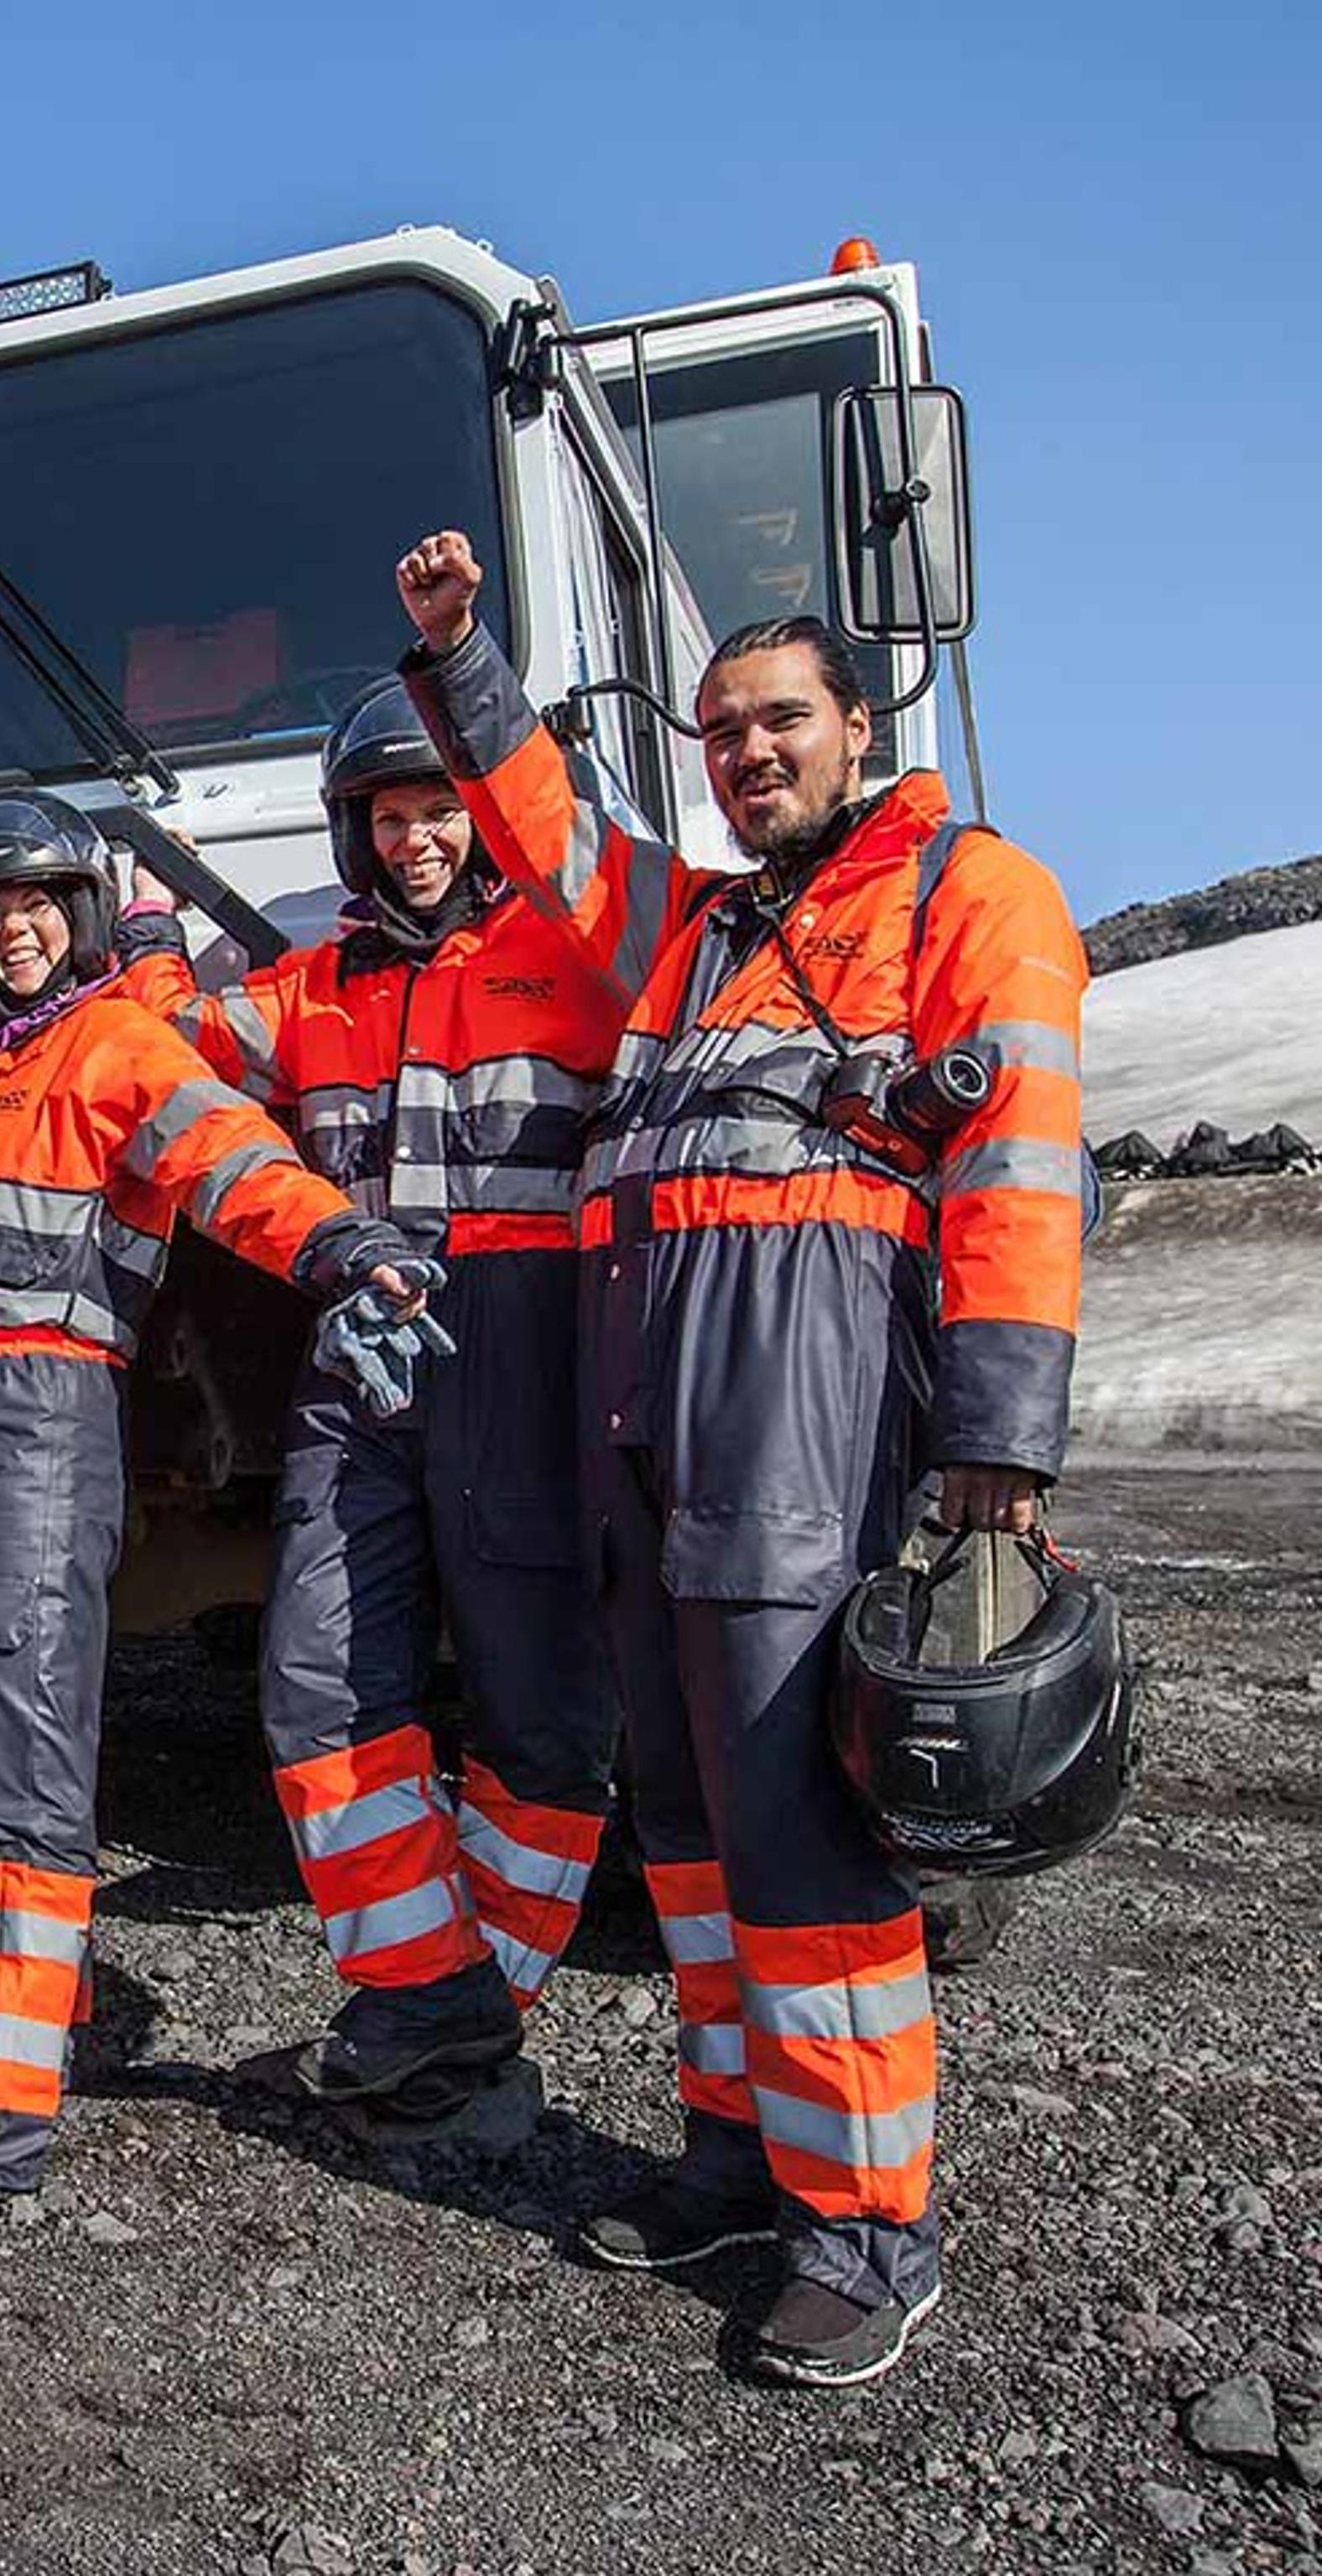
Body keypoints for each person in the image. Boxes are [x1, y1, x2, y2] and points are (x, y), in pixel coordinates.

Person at [396, 528, 1087, 2386]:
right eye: (717, 731)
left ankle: (866, 2233)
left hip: (809, 1419)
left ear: (859, 726)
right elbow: (546, 836)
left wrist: (1001, 1449)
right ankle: (736, 2155)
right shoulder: (693, 925)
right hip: (648, 1422)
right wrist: (463, 671)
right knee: (691, 1834)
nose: (745, 753)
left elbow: (1020, 1172)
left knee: (801, 1836)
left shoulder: (967, 890)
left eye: (778, 719)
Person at [0, 792, 443, 2220]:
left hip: (29, 1445)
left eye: (34, 904)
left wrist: (342, 1246)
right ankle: (50, 2019)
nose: (12, 930)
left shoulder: (108, 1047)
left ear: (83, 919)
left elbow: (234, 1163)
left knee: (5, 1777)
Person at [118, 688, 624, 2120]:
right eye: (388, 816)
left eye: (435, 810)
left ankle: (457, 2009)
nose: (412, 839)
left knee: (539, 1710)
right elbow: (177, 1059)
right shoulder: (314, 988)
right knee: (319, 1681)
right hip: (360, 1364)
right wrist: (152, 940)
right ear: (355, 832)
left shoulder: (572, 957)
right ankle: (429, 1988)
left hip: (525, 1366)